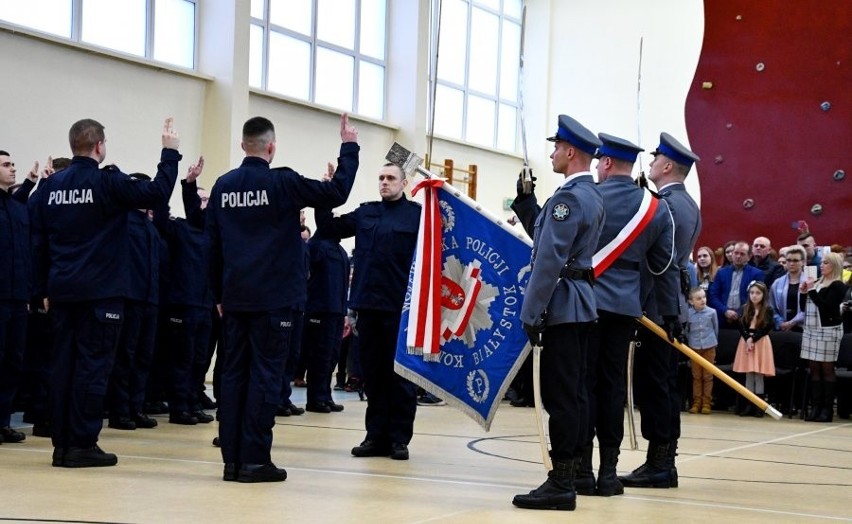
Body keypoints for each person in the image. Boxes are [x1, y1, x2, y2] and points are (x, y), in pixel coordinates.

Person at [207, 113, 359, 483]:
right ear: (271, 147)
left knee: (232, 375)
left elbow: (211, 247)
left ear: (243, 145)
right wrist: (349, 146)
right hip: (275, 300)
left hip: (236, 298)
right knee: (265, 377)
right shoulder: (284, 182)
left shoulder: (223, 186)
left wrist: (218, 295)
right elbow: (336, 192)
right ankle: (256, 460)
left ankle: (232, 460)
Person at [29, 118, 183, 467]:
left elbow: (36, 243)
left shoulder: (50, 189)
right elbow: (157, 193)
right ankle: (82, 443)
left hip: (62, 292)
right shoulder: (107, 182)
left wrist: (42, 289)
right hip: (100, 294)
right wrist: (169, 153)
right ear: (99, 146)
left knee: (63, 367)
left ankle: (62, 443)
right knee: (92, 368)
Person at [575, 133, 678, 498]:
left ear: (604, 163)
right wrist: (670, 313)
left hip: (583, 304)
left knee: (582, 387)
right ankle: (608, 473)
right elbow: (665, 267)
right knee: (613, 388)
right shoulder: (655, 208)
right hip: (624, 309)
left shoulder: (587, 198)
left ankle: (581, 470)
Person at [510, 114, 604, 511]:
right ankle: (579, 472)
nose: (552, 154)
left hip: (562, 304)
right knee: (577, 393)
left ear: (570, 152)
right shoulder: (591, 196)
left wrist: (531, 312)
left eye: (556, 148)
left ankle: (560, 482)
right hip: (581, 302)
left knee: (561, 396)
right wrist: (529, 204)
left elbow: (548, 260)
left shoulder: (567, 199)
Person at [315, 161, 420, 461]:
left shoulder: (418, 217)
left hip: (401, 309)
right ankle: (375, 436)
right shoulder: (366, 213)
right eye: (381, 177)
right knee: (372, 375)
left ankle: (399, 439)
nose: (385, 182)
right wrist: (326, 194)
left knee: (400, 377)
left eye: (391, 178)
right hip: (368, 307)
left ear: (404, 184)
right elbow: (329, 228)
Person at [620, 132, 701, 490]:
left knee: (657, 387)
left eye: (655, 160)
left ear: (667, 166)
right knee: (662, 385)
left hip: (657, 305)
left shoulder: (665, 206)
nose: (650, 164)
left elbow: (660, 263)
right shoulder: (687, 204)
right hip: (670, 304)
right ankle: (662, 460)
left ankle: (661, 463)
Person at [106, 172, 162, 431]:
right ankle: (120, 410)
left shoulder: (149, 224)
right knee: (125, 356)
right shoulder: (125, 220)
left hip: (149, 298)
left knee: (144, 356)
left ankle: (135, 406)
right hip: (130, 296)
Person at [0, 150, 33, 444]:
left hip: (16, 297)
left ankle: (3, 421)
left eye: (12, 164)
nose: (12, 169)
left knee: (12, 362)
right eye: (6, 165)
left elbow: (26, 254)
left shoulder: (18, 208)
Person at [799, 252, 846, 422]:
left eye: (826, 263)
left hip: (828, 330)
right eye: (822, 262)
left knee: (826, 369)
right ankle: (815, 407)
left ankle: (827, 410)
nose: (821, 265)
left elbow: (826, 307)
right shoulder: (817, 282)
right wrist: (803, 292)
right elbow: (804, 308)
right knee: (814, 369)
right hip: (811, 329)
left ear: (834, 265)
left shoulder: (838, 285)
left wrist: (811, 291)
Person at [732, 280, 775, 417]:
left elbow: (767, 327)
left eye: (758, 293)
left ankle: (759, 406)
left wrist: (753, 338)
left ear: (764, 295)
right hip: (746, 342)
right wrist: (747, 338)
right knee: (749, 374)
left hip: (761, 342)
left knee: (758, 374)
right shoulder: (745, 308)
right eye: (752, 293)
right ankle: (748, 405)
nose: (754, 296)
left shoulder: (767, 310)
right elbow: (740, 325)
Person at [707, 241, 764, 330]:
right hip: (722, 317)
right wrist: (725, 311)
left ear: (749, 257)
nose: (738, 256)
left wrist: (738, 313)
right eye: (736, 253)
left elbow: (757, 298)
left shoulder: (756, 274)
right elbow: (713, 295)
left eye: (742, 254)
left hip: (745, 319)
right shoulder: (721, 272)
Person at [685, 287, 718, 415]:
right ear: (691, 301)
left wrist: (713, 343)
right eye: (698, 298)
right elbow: (687, 330)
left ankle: (706, 403)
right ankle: (696, 402)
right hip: (694, 347)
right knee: (697, 376)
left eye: (704, 297)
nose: (702, 300)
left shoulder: (712, 312)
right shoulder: (688, 314)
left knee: (708, 376)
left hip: (709, 347)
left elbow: (715, 329)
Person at [768, 245, 806, 333]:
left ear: (803, 262)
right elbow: (771, 306)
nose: (791, 263)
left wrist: (792, 322)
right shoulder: (777, 283)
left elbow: (810, 309)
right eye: (788, 260)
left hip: (802, 329)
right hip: (782, 328)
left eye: (795, 260)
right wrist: (780, 322)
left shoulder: (810, 282)